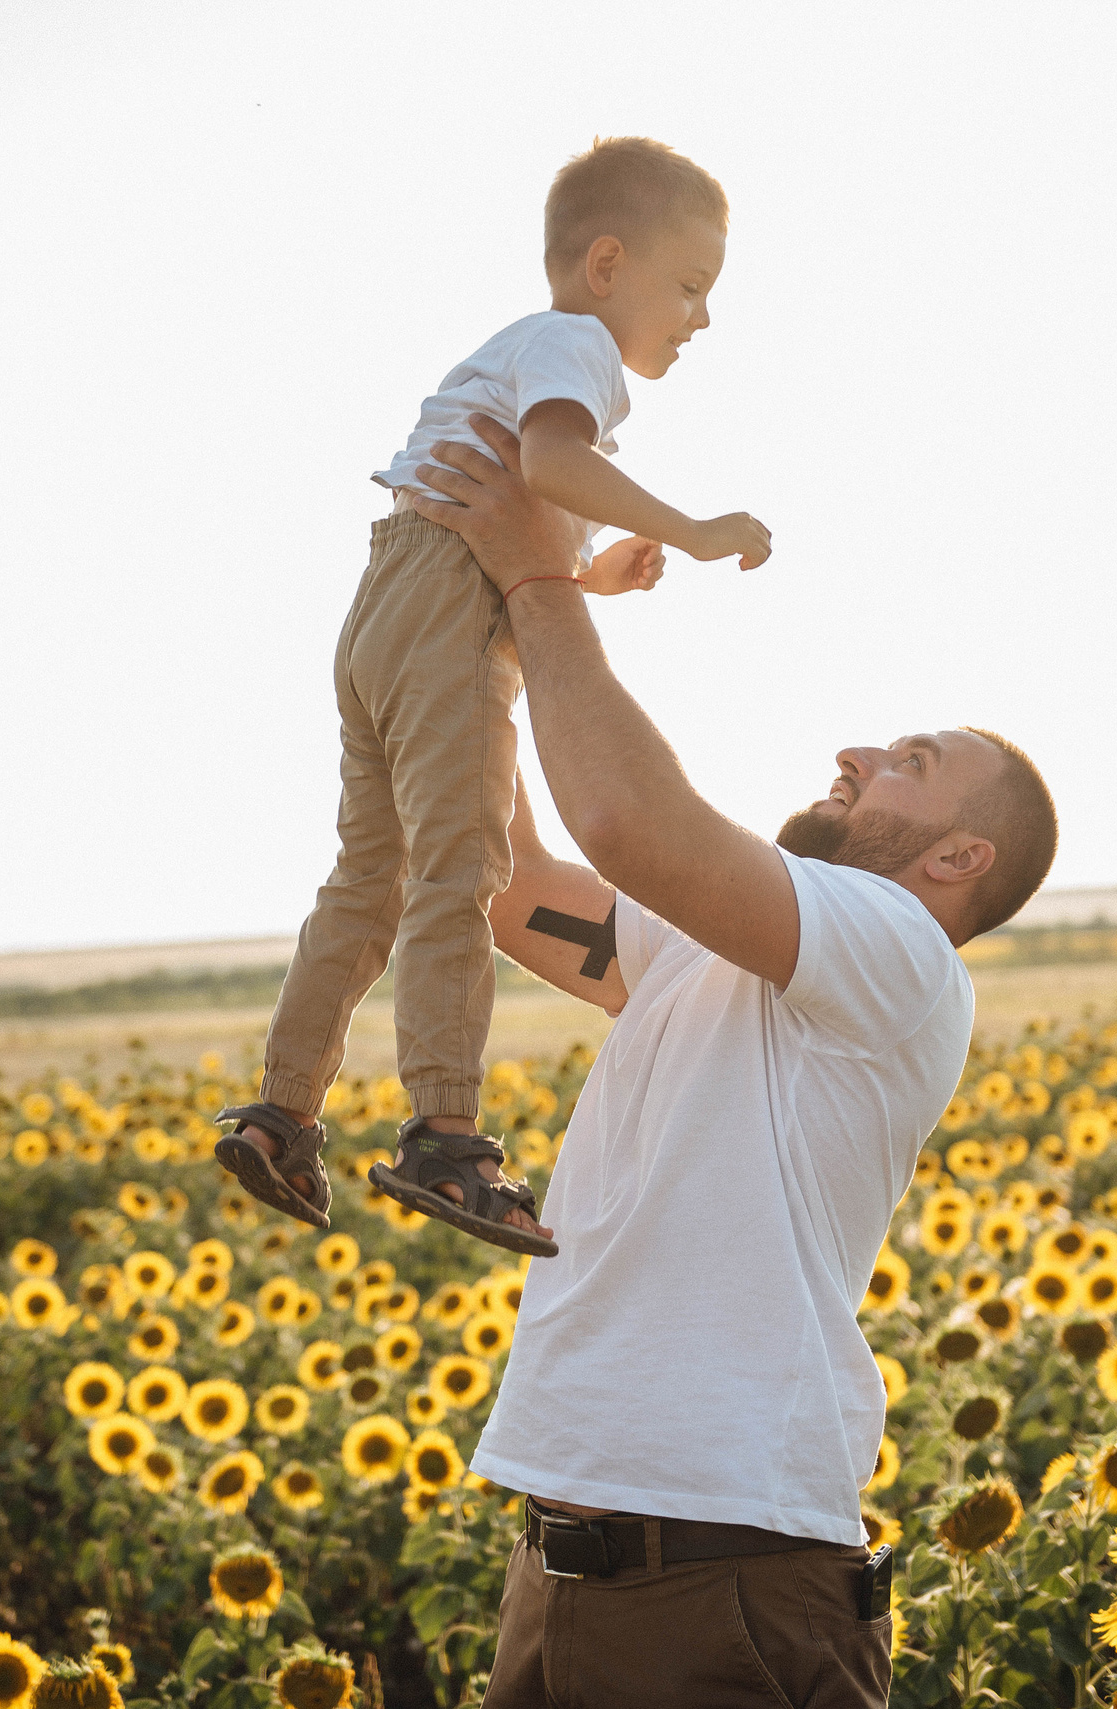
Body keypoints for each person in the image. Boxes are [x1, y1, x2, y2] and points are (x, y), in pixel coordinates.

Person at [413, 418, 1058, 1707]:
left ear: (956, 861)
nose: (860, 752)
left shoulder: (895, 952)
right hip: (568, 1565)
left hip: (727, 1584)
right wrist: (470, 628)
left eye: (908, 765)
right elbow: (507, 880)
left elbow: (625, 820)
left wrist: (538, 571)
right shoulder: (715, 949)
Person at [214, 137, 771, 1258]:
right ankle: (445, 1133)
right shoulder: (578, 344)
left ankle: (281, 1113)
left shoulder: (522, 346)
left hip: (386, 604)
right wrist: (690, 529)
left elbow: (515, 508)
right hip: (442, 612)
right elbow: (553, 464)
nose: (701, 319)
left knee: (367, 878)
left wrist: (589, 569)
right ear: (607, 263)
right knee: (465, 867)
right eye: (692, 286)